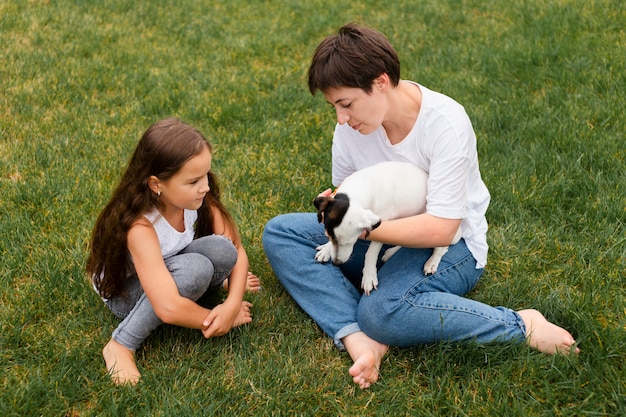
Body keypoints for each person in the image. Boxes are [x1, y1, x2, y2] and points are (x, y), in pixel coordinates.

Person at [262, 23, 578, 389]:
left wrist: (362, 227)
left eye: (346, 104)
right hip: (374, 230)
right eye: (334, 107)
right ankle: (357, 334)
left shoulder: (445, 123)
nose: (341, 118)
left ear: (380, 82)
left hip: (450, 245)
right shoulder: (350, 128)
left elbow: (442, 228)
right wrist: (339, 202)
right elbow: (349, 188)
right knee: (281, 232)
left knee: (382, 312)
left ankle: (520, 325)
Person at [86, 118, 261, 385]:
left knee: (222, 250)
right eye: (193, 181)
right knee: (196, 270)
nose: (204, 186)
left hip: (167, 266)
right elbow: (167, 308)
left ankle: (207, 283)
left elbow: (237, 249)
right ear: (157, 184)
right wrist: (216, 321)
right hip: (125, 292)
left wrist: (231, 303)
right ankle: (121, 344)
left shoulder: (194, 198)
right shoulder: (140, 226)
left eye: (205, 175)